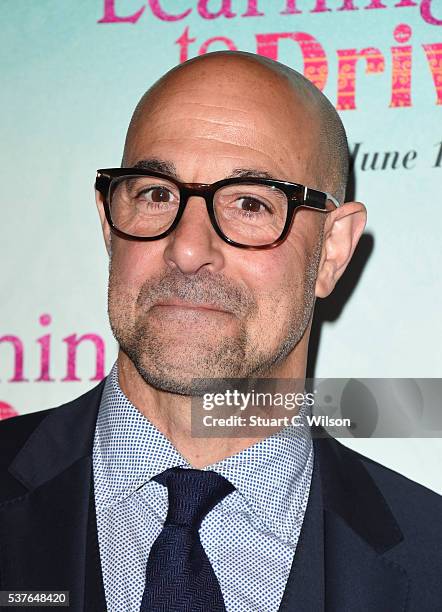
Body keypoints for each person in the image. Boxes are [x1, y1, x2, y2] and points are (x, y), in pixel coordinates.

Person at [0, 51, 441, 612]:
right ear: (108, 223)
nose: (186, 249)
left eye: (250, 204)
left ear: (332, 251)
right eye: (155, 194)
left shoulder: (431, 563)